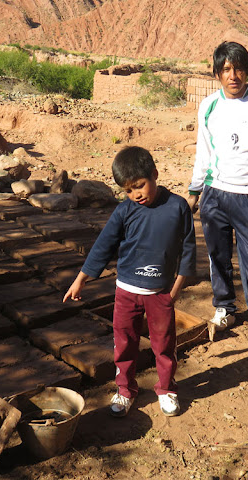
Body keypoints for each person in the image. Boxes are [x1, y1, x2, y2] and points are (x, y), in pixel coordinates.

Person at [64, 146, 196, 418]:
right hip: (126, 292)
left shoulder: (177, 207)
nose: (135, 195)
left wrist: (176, 289)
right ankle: (125, 390)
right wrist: (80, 280)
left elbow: (189, 249)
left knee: (164, 344)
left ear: (155, 174)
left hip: (160, 293)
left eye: (139, 186)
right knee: (124, 343)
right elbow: (103, 246)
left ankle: (167, 389)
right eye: (128, 190)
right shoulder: (125, 211)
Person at [187, 41, 248, 353]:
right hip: (215, 194)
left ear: (247, 71)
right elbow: (203, 153)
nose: (234, 75)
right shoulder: (209, 106)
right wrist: (194, 192)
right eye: (227, 69)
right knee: (217, 257)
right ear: (217, 73)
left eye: (239, 68)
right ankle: (225, 307)